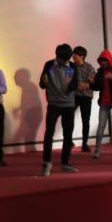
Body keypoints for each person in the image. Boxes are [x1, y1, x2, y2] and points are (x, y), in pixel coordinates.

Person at [39, 43, 79, 176]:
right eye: (62, 59)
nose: (65, 62)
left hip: (68, 105)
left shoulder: (72, 66)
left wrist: (70, 87)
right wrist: (44, 82)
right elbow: (42, 84)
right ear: (57, 56)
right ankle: (47, 163)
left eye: (67, 59)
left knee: (68, 134)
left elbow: (75, 84)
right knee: (49, 133)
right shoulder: (49, 65)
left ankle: (65, 163)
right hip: (54, 104)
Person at [71, 46, 96, 152]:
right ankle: (69, 141)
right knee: (68, 117)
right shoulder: (71, 67)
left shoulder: (89, 67)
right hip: (74, 96)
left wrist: (86, 85)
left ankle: (84, 144)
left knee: (86, 120)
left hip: (86, 97)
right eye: (73, 55)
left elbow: (94, 82)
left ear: (82, 56)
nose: (73, 57)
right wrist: (78, 85)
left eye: (75, 55)